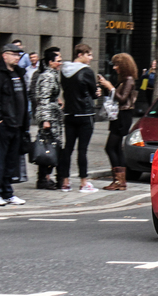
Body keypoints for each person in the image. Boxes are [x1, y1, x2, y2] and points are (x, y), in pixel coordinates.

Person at [0, 43, 29, 206]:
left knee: (11, 161)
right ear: (5, 55)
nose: (17, 57)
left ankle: (7, 192)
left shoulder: (18, 73)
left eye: (19, 55)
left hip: (17, 124)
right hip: (4, 124)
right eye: (14, 54)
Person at [58, 43, 101, 193]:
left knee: (68, 148)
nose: (91, 58)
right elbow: (94, 92)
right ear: (80, 54)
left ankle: (65, 181)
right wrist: (98, 92)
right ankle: (84, 182)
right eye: (89, 54)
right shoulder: (87, 71)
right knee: (82, 150)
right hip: (85, 113)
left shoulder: (64, 70)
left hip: (69, 113)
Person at [97, 53, 138, 191]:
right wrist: (105, 87)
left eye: (117, 65)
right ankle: (121, 181)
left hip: (122, 116)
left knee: (110, 147)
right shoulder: (124, 80)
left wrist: (110, 87)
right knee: (115, 148)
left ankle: (118, 180)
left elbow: (122, 98)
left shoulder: (129, 80)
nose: (115, 68)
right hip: (120, 116)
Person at [33, 47, 63, 190]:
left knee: (50, 145)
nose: (60, 63)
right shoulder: (47, 76)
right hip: (49, 116)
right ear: (50, 62)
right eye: (58, 61)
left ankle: (46, 177)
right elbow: (43, 98)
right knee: (48, 146)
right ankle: (43, 177)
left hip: (52, 114)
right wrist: (46, 119)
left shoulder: (52, 75)